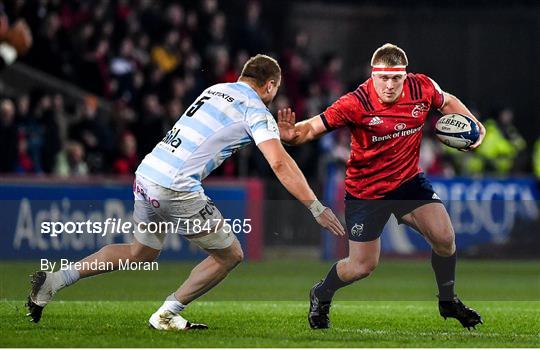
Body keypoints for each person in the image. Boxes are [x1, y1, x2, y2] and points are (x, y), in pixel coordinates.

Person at [26, 54, 345, 329]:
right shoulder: (255, 109)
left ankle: (55, 280)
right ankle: (167, 313)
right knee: (229, 254)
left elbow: (231, 133)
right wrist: (315, 206)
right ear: (271, 86)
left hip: (148, 173)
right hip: (176, 186)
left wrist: (280, 134)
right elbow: (278, 162)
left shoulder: (215, 90)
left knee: (141, 252)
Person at [277, 43, 486, 330]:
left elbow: (447, 102)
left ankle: (447, 301)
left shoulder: (422, 88)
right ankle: (321, 293)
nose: (389, 85)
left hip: (408, 182)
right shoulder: (355, 102)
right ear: (372, 75)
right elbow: (313, 127)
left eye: (396, 78)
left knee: (445, 237)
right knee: (362, 266)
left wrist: (475, 125)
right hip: (366, 192)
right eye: (383, 78)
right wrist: (292, 134)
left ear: (405, 76)